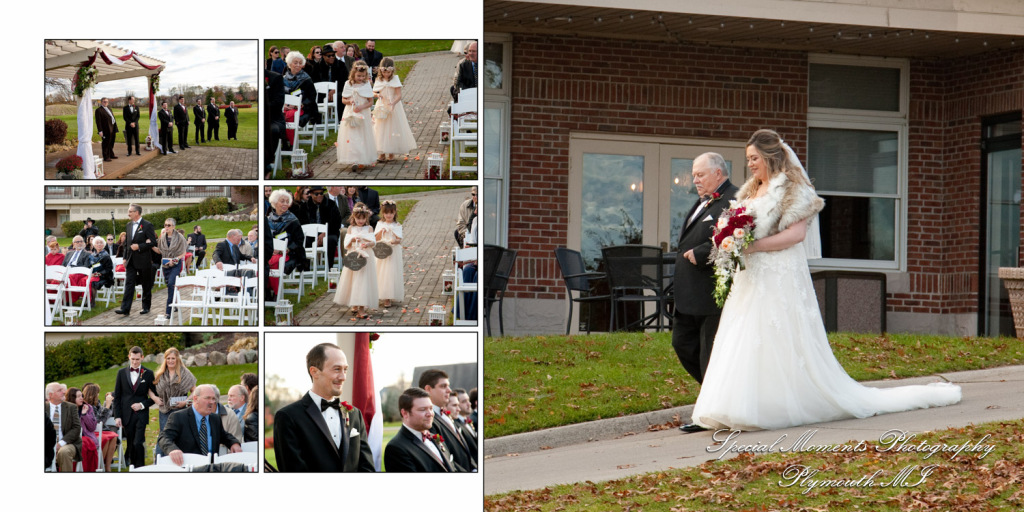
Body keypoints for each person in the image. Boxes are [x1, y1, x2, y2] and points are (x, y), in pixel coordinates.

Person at [689, 129, 962, 432]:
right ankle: (729, 407)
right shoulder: (749, 191)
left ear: (770, 156)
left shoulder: (793, 188)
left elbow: (796, 235)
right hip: (750, 277)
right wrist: (729, 241)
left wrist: (750, 246)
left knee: (773, 336)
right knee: (741, 335)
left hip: (778, 273)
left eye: (754, 158)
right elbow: (738, 228)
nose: (750, 164)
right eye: (748, 159)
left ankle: (772, 406)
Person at [669, 153, 740, 433]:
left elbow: (737, 239)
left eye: (700, 174)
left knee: (708, 353)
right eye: (694, 175)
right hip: (689, 294)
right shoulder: (704, 201)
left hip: (711, 292)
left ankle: (711, 411)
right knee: (682, 344)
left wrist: (701, 253)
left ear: (719, 173)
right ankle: (717, 399)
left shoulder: (734, 199)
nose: (695, 179)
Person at [272, 343, 375, 472]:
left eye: (345, 369)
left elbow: (366, 466)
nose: (343, 377)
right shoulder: (288, 417)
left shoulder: (355, 415)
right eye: (337, 369)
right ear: (314, 372)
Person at [157, 384, 242, 466]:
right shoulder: (179, 417)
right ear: (195, 399)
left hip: (211, 468)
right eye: (207, 398)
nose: (212, 402)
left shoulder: (215, 418)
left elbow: (224, 435)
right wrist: (172, 449)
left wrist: (233, 443)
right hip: (188, 468)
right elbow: (164, 437)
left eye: (213, 399)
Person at [383, 387, 457, 472]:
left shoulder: (435, 437)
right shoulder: (396, 448)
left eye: (431, 408)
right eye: (423, 409)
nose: (430, 414)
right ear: (405, 413)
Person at [420, 369, 475, 471]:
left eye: (448, 386)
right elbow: (445, 458)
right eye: (443, 386)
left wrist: (474, 468)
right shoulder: (429, 421)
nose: (449, 390)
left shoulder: (445, 415)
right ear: (428, 389)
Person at [113, 346, 157, 467]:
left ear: (142, 357)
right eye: (132, 359)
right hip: (126, 415)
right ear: (129, 357)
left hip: (141, 415)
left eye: (137, 359)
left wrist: (142, 405)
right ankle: (134, 468)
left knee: (138, 442)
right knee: (131, 443)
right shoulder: (121, 373)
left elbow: (155, 397)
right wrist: (117, 416)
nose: (135, 361)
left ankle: (140, 468)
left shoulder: (148, 374)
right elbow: (117, 397)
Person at [333, 203, 378, 320]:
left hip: (365, 257)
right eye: (358, 218)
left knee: (362, 281)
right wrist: (353, 238)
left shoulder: (369, 228)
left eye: (363, 218)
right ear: (354, 217)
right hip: (353, 256)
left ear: (366, 218)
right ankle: (354, 303)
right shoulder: (350, 228)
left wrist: (367, 243)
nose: (361, 221)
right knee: (353, 280)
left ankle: (362, 308)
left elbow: (373, 242)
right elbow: (346, 244)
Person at [150, 347, 196, 458]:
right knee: (164, 437)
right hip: (164, 411)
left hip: (181, 410)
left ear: (177, 359)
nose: (171, 361)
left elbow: (195, 391)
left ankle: (180, 460)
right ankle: (160, 463)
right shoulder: (160, 374)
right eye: (168, 358)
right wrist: (155, 398)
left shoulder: (185, 373)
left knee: (180, 436)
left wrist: (186, 402)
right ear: (165, 359)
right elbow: (149, 389)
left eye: (173, 358)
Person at [114, 203, 156, 315]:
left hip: (143, 260)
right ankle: (125, 308)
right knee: (129, 283)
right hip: (130, 260)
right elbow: (127, 243)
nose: (128, 214)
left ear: (137, 212)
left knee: (145, 284)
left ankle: (146, 307)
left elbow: (153, 242)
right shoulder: (128, 225)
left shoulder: (147, 225)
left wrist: (140, 246)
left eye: (130, 211)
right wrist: (124, 257)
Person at [372, 58, 417, 162]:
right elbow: (374, 92)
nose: (386, 74)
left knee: (392, 128)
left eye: (388, 72)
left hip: (393, 106)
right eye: (384, 72)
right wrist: (377, 95)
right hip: (381, 106)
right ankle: (381, 152)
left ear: (392, 71)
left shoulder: (395, 79)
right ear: (380, 70)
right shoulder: (379, 79)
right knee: (380, 128)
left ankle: (391, 151)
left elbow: (399, 95)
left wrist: (393, 103)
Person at [267, 190, 309, 298]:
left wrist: (287, 249)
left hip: (290, 254)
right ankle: (266, 291)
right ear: (275, 203)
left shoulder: (293, 220)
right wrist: (270, 249)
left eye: (287, 201)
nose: (285, 204)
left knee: (275, 262)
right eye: (282, 201)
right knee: (263, 262)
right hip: (271, 252)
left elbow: (299, 241)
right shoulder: (268, 220)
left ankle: (276, 293)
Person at [337, 62, 377, 172]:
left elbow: (370, 102)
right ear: (353, 74)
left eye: (363, 76)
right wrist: (349, 101)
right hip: (350, 112)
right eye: (359, 76)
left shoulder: (366, 85)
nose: (361, 78)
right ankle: (354, 159)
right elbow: (343, 100)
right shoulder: (348, 84)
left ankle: (362, 158)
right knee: (352, 134)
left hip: (362, 113)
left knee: (362, 134)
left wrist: (362, 107)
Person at [153, 218, 187, 316]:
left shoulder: (179, 237)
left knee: (171, 284)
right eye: (165, 225)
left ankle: (168, 311)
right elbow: (160, 251)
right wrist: (150, 246)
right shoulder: (162, 237)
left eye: (169, 225)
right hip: (165, 265)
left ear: (173, 226)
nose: (166, 227)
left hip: (176, 264)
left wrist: (175, 260)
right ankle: (175, 304)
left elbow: (183, 252)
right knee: (170, 285)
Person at [45, 382, 80, 472]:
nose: (63, 392)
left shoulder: (71, 407)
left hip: (68, 443)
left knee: (64, 452)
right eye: (59, 390)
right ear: (50, 395)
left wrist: (61, 443)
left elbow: (76, 428)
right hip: (47, 444)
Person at [374, 200, 404, 308]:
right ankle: (381, 293)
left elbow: (399, 239)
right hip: (381, 250)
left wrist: (393, 241)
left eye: (391, 213)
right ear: (383, 213)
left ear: (395, 213)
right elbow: (376, 238)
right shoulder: (379, 224)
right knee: (381, 272)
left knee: (390, 273)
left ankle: (388, 297)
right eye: (386, 213)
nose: (389, 215)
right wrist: (382, 231)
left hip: (392, 251)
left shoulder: (397, 225)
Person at [82, 383, 118, 472]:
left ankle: (107, 467)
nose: (98, 395)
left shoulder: (96, 403)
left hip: (102, 430)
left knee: (114, 437)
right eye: (97, 393)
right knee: (106, 438)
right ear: (93, 394)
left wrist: (108, 406)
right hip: (92, 431)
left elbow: (101, 418)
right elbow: (99, 421)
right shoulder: (86, 405)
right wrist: (107, 406)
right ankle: (100, 465)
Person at [306, 186, 342, 269]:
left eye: (321, 193)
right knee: (304, 241)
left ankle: (329, 267)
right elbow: (302, 223)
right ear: (311, 194)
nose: (319, 195)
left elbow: (337, 222)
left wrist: (325, 233)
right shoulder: (305, 206)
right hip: (311, 234)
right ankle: (305, 269)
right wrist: (315, 235)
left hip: (329, 233)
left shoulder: (331, 204)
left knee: (331, 240)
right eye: (316, 194)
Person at [283, 51, 321, 128]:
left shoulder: (306, 79)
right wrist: (284, 105)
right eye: (295, 62)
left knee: (290, 116)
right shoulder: (283, 79)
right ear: (289, 64)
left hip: (304, 108)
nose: (298, 65)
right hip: (286, 107)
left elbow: (312, 97)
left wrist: (299, 105)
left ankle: (289, 139)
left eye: (300, 63)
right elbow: (280, 95)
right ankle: (285, 138)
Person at [66, 387, 98, 472]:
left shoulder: (88, 408)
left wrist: (84, 415)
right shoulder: (67, 409)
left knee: (82, 445)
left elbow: (92, 427)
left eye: (82, 396)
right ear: (72, 398)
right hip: (71, 438)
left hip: (87, 437)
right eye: (78, 396)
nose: (82, 398)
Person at [264, 69, 285, 178]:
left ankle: (267, 162)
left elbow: (278, 102)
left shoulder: (275, 77)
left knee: (273, 131)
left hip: (273, 118)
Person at [87, 236, 114, 302]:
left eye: (101, 243)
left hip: (104, 276)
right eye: (97, 243)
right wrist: (91, 273)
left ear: (104, 245)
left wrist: (99, 273)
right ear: (94, 245)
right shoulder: (91, 256)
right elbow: (88, 266)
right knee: (84, 280)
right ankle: (86, 300)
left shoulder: (106, 256)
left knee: (92, 282)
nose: (99, 244)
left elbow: (109, 269)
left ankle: (92, 302)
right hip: (93, 275)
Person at [94, 97, 119, 162]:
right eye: (104, 102)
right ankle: (106, 156)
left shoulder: (109, 108)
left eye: (107, 102)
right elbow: (98, 121)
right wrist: (100, 131)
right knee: (106, 143)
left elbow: (112, 117)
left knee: (112, 142)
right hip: (105, 129)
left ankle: (111, 154)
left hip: (112, 127)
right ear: (101, 102)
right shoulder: (98, 110)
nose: (106, 103)